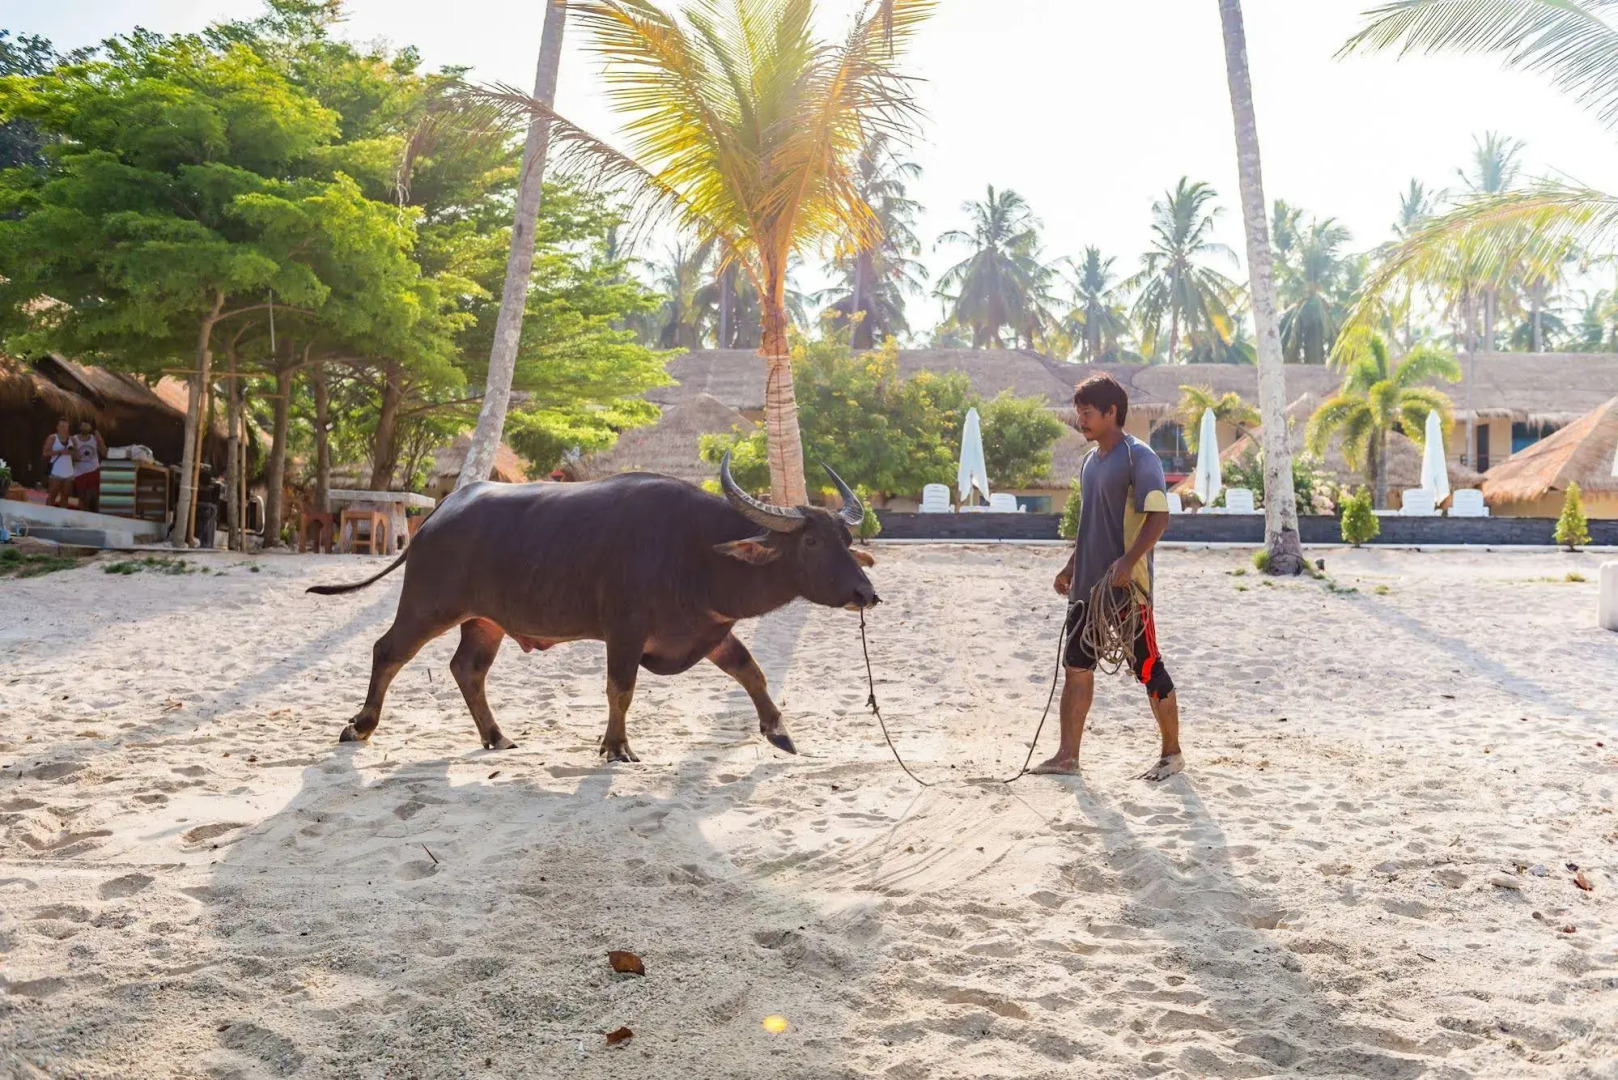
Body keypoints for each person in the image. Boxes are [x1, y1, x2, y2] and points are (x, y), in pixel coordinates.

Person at [1035, 374, 1183, 782]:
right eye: (1078, 413)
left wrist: (1127, 560)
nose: (1080, 420)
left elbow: (1160, 517)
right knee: (1076, 666)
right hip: (1086, 589)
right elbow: (1091, 525)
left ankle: (1171, 754)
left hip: (1127, 588)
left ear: (1111, 413)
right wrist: (1070, 566)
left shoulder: (1140, 458)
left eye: (1086, 413)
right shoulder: (1088, 462)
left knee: (1148, 666)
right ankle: (1068, 756)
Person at [71, 419, 107, 513]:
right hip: (80, 473)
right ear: (80, 426)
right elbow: (74, 456)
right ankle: (82, 515)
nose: (86, 427)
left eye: (88, 425)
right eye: (84, 424)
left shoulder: (94, 438)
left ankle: (96, 515)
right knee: (82, 497)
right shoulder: (73, 439)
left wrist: (100, 439)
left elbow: (104, 453)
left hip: (94, 471)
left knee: (95, 497)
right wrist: (74, 451)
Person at [42, 417, 76, 507]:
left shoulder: (72, 439)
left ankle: (62, 517)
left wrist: (71, 453)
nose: (63, 428)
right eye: (61, 426)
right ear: (57, 427)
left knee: (65, 497)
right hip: (56, 472)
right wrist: (59, 452)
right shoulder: (53, 438)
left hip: (69, 473)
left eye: (65, 426)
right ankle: (47, 516)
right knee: (52, 496)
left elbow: (77, 455)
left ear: (68, 428)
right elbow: (45, 453)